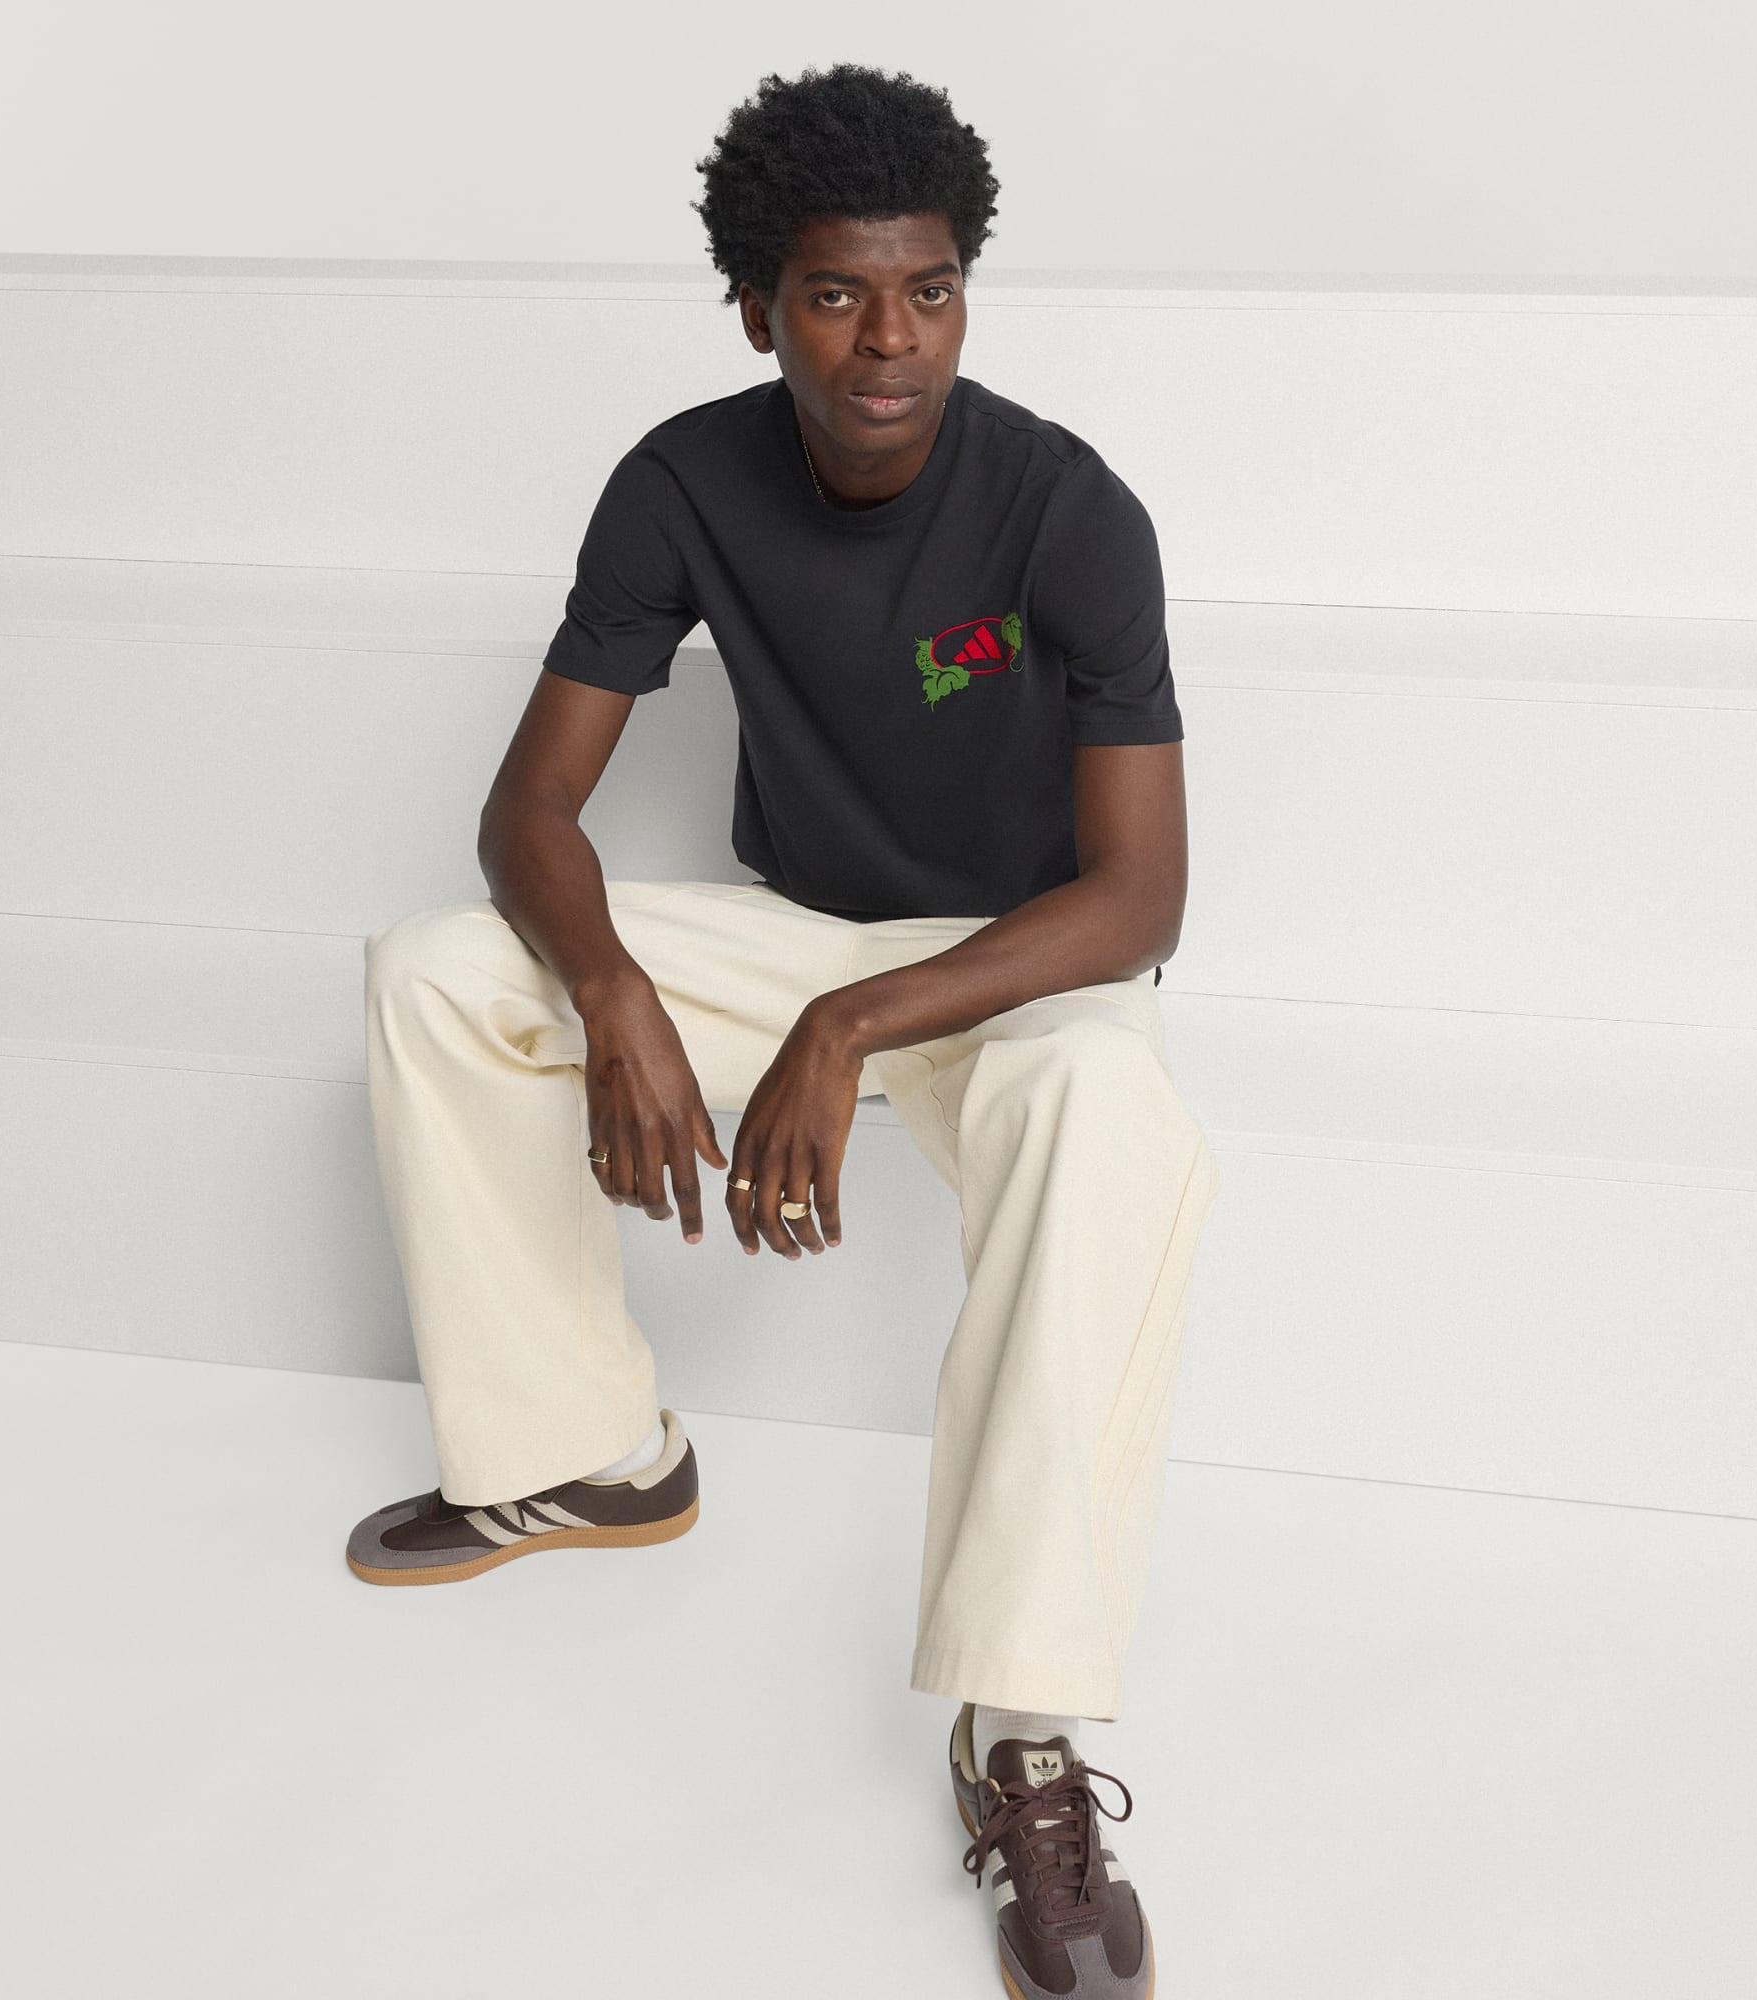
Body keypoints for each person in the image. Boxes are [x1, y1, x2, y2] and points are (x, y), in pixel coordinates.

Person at [346, 61, 1221, 2000]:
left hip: (1019, 971)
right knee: (435, 971)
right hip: (805, 933)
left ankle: (1023, 1734)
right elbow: (529, 811)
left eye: (928, 289)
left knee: (1115, 1121)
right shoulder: (682, 483)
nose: (888, 339)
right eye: (835, 294)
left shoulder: (1070, 512)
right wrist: (616, 995)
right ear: (758, 309)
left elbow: (1141, 900)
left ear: (965, 292)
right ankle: (588, 1453)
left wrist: (850, 1021)